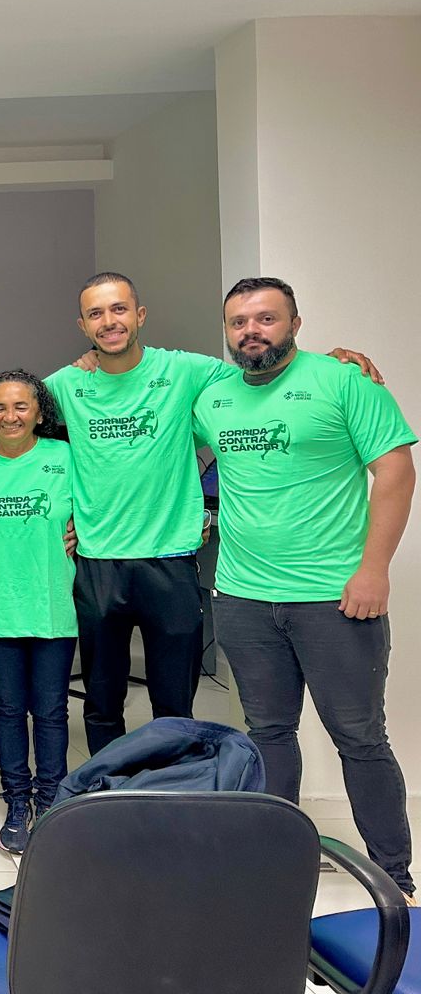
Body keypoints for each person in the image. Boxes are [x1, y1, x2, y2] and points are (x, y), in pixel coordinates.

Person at [45, 272, 378, 753]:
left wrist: (331, 363)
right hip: (98, 562)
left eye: (119, 309)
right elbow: (10, 426)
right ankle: (108, 799)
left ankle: (175, 796)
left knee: (175, 705)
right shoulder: (66, 383)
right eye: (96, 313)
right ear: (82, 325)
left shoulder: (189, 372)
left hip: (172, 561)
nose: (109, 321)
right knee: (101, 701)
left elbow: (264, 373)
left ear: (139, 316)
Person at [195, 277, 415, 895]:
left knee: (361, 737)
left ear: (294, 322)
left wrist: (374, 570)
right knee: (268, 733)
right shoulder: (213, 399)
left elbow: (395, 473)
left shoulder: (342, 381)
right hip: (242, 597)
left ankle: (395, 877)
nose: (250, 332)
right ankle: (275, 860)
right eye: (238, 322)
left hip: (334, 598)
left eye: (265, 319)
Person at [0, 370, 76, 854]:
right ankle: (16, 802)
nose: (10, 416)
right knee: (8, 708)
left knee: (49, 710)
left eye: (21, 406)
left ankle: (52, 802)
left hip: (53, 603)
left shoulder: (65, 458)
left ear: (40, 412)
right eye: (0, 408)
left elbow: (104, 504)